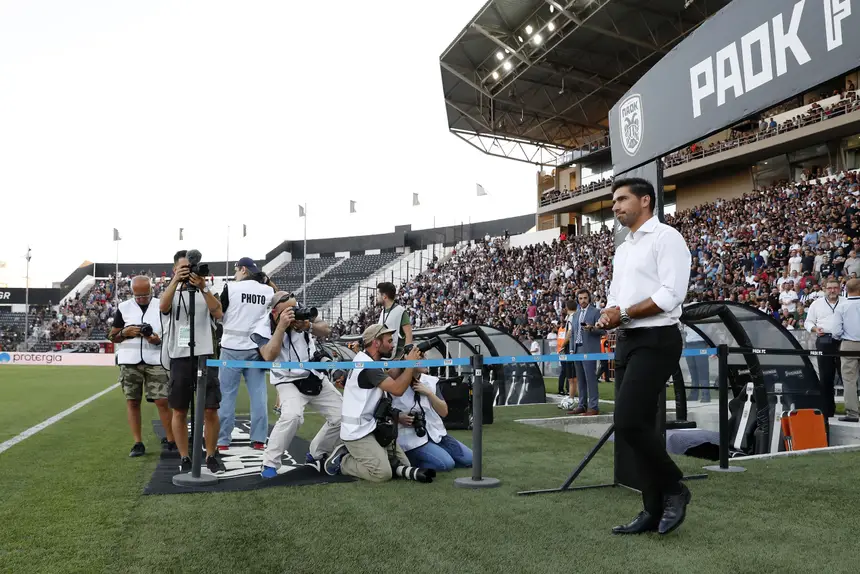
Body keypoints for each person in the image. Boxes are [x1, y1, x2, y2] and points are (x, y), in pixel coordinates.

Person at [596, 177, 692, 536]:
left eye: (622, 199)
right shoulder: (623, 248)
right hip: (628, 340)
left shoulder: (668, 238)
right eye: (614, 201)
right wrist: (608, 314)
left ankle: (675, 488)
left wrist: (622, 314)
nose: (616, 206)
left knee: (628, 420)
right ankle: (652, 508)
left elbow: (671, 294)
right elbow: (615, 295)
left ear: (646, 201)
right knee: (636, 426)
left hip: (658, 338)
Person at [324, 325, 433, 483]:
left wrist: (405, 359)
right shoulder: (369, 367)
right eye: (389, 341)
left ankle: (366, 457)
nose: (392, 344)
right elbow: (397, 389)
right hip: (356, 433)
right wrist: (410, 364)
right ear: (376, 343)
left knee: (404, 465)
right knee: (383, 473)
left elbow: (390, 375)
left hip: (370, 427)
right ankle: (342, 461)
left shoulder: (367, 361)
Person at [254, 292, 342, 478]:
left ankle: (316, 453)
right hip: (286, 380)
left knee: (342, 416)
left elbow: (326, 330)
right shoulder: (262, 326)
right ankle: (269, 464)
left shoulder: (301, 313)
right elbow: (268, 355)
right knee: (292, 416)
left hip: (313, 373)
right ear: (275, 311)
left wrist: (308, 325)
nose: (294, 312)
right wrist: (281, 327)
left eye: (296, 308)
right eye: (289, 310)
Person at [159, 250, 225, 474]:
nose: (188, 271)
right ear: (175, 269)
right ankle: (185, 456)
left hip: (205, 355)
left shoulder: (206, 290)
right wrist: (176, 281)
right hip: (179, 356)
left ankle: (211, 454)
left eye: (191, 267)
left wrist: (203, 288)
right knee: (179, 410)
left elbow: (218, 313)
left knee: (210, 409)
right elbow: (163, 307)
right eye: (183, 268)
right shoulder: (172, 291)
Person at [109, 276, 175, 457]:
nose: (141, 299)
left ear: (151, 290)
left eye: (145, 295)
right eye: (137, 296)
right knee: (132, 401)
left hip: (155, 359)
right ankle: (137, 443)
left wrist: (155, 339)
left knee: (162, 401)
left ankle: (171, 439)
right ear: (132, 292)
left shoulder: (161, 305)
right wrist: (125, 332)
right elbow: (112, 336)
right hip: (129, 361)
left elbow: (168, 332)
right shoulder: (124, 308)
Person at [217, 257, 276, 451]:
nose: (235, 274)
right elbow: (282, 297)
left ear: (242, 269)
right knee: (259, 396)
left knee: (226, 396)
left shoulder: (231, 288)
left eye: (236, 270)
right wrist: (267, 281)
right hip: (255, 348)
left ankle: (223, 440)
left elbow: (219, 313)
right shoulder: (267, 290)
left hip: (231, 348)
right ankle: (259, 439)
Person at [392, 366, 473, 471]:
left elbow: (444, 412)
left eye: (425, 355)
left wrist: (429, 393)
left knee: (471, 460)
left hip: (436, 434)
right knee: (446, 464)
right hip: (412, 438)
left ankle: (437, 455)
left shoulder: (431, 381)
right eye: (420, 356)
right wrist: (398, 417)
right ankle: (409, 462)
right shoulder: (395, 384)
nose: (425, 359)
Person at [804, 278, 843, 418]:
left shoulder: (846, 302)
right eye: (830, 288)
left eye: (835, 288)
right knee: (826, 376)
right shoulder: (817, 304)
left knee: (846, 375)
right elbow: (808, 322)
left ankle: (853, 408)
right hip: (824, 340)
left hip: (843, 341)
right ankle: (827, 410)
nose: (832, 291)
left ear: (839, 288)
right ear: (825, 289)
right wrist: (814, 328)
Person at [567, 290, 604, 415]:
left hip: (589, 349)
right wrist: (571, 349)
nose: (583, 300)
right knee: (580, 379)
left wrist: (592, 328)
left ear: (589, 299)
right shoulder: (576, 315)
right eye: (580, 298)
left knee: (590, 379)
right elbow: (572, 333)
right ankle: (582, 405)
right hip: (577, 349)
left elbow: (603, 330)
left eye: (585, 298)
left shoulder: (595, 312)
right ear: (578, 299)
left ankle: (593, 406)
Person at [832, 278, 860, 423]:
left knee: (849, 379)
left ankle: (853, 413)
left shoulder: (842, 306)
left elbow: (836, 331)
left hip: (849, 343)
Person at [376, 282, 412, 359]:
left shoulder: (400, 311)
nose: (377, 297)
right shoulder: (383, 311)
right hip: (383, 355)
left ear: (384, 296)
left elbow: (408, 334)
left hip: (396, 358)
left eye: (378, 294)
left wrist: (405, 355)